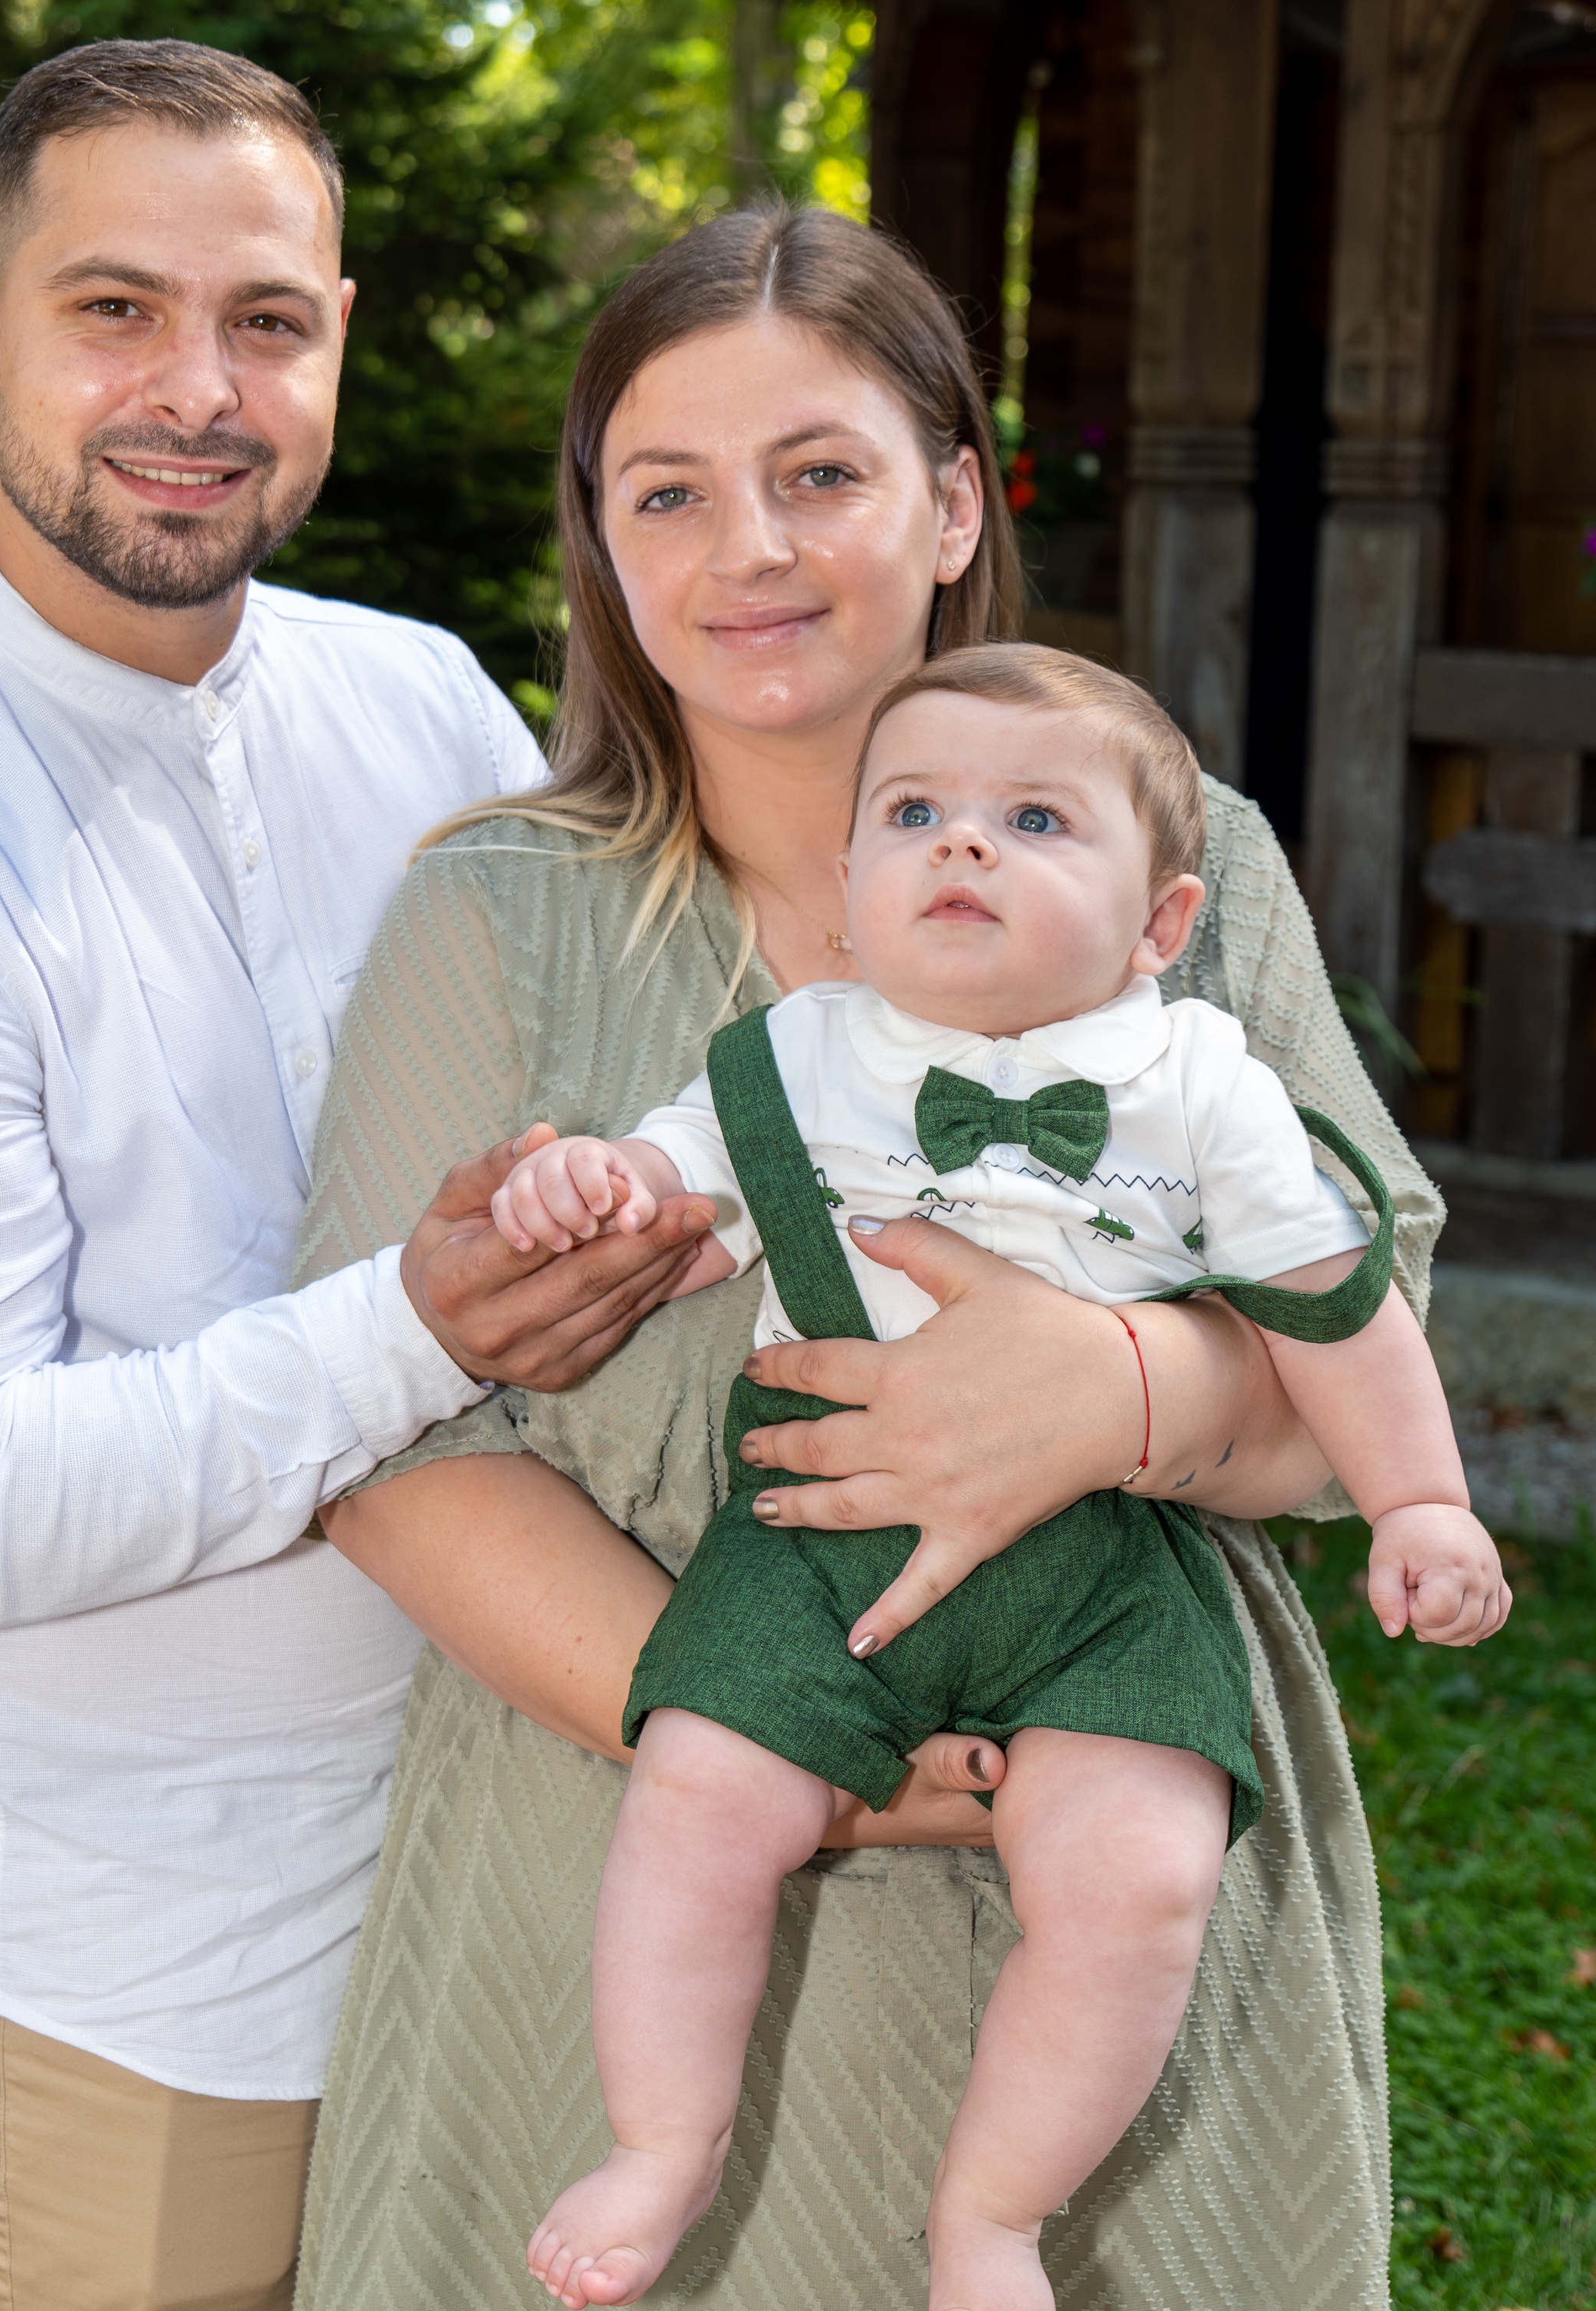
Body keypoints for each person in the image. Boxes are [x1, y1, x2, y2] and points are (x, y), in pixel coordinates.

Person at [0, 37, 724, 2311]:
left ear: (341, 329)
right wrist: (410, 1332)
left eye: (265, 320)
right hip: (137, 1993)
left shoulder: (421, 704)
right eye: (111, 309)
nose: (196, 390)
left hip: (506, 1875)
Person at [292, 204, 1443, 2311]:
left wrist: (1125, 1390)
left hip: (1124, 1845)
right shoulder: (492, 911)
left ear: (952, 501)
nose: (752, 549)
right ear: (605, 549)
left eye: (818, 472)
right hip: (618, 1862)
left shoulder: (1205, 865)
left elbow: (1364, 1372)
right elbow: (386, 1444)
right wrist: (766, 1744)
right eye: (671, 492)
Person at [496, 646, 1507, 2311]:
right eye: (915, 814)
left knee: (1139, 1874)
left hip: (1100, 1562)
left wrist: (1420, 1499)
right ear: (849, 884)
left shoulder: (1202, 1087)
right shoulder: (803, 1049)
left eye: (1031, 817)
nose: (960, 846)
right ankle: (658, 2143)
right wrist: (597, 1189)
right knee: (695, 1790)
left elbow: (1337, 1312)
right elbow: (676, 1207)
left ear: (1160, 924)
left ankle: (995, 2212)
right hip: (818, 1533)